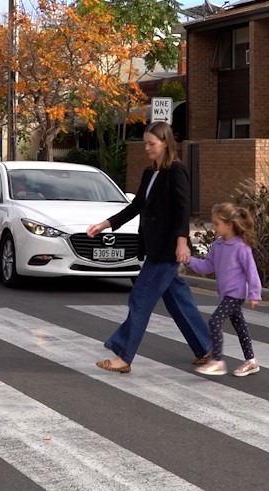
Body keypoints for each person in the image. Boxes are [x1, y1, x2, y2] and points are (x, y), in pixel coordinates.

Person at [86, 122, 212, 372]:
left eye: (151, 144)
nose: (147, 148)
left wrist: (181, 241)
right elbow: (136, 206)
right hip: (154, 246)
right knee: (177, 297)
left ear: (166, 143)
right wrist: (105, 224)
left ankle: (123, 356)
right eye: (145, 143)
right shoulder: (150, 173)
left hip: (167, 248)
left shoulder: (177, 171)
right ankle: (205, 346)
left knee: (140, 298)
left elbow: (182, 208)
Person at [186, 202, 262, 377]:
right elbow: (207, 266)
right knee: (240, 326)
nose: (214, 227)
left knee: (215, 321)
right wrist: (189, 260)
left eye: (217, 223)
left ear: (229, 225)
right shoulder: (218, 246)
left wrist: (254, 294)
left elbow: (252, 271)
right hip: (226, 294)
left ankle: (217, 361)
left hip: (235, 295)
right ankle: (251, 361)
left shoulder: (241, 247)